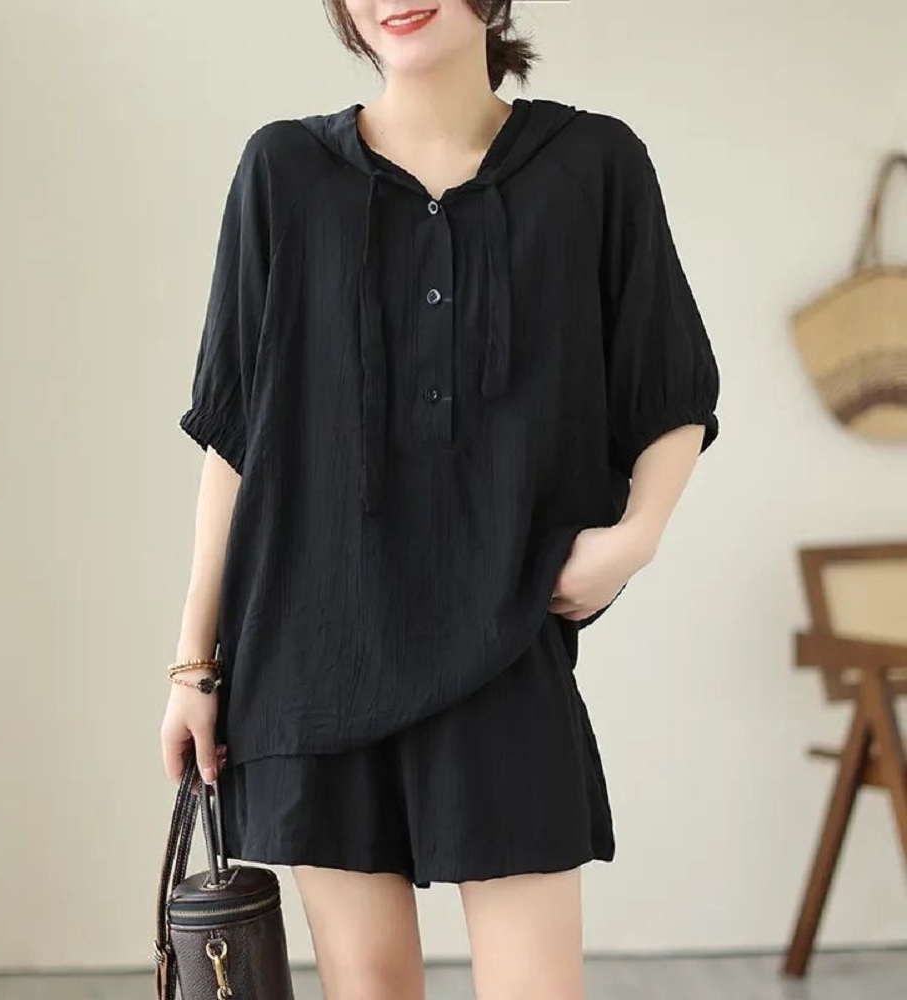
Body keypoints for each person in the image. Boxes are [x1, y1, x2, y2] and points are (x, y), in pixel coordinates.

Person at [160, 1, 721, 997]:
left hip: (504, 638)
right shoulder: (283, 170)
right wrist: (193, 666)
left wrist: (632, 540)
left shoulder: (593, 164)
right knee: (369, 987)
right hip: (312, 656)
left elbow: (669, 385)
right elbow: (235, 439)